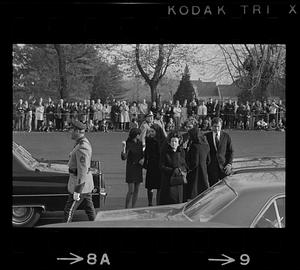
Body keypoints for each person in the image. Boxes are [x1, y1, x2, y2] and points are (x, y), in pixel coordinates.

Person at [63, 120, 96, 223]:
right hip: (84, 184)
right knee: (90, 210)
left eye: (71, 130)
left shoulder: (82, 147)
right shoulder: (80, 143)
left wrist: (77, 190)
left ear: (77, 131)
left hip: (80, 184)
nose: (70, 132)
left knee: (68, 211)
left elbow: (82, 170)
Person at [159, 131, 188, 205]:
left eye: (175, 141)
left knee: (178, 203)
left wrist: (181, 170)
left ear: (179, 143)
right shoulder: (165, 152)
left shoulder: (181, 152)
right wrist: (173, 171)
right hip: (168, 181)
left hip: (179, 182)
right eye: (172, 141)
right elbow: (161, 166)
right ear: (169, 142)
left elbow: (184, 164)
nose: (174, 143)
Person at [204, 117, 234, 186]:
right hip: (211, 168)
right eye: (215, 126)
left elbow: (230, 151)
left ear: (221, 126)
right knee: (213, 188)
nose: (217, 129)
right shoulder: (206, 137)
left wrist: (229, 164)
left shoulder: (226, 136)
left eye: (218, 126)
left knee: (226, 187)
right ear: (211, 126)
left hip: (224, 167)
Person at [121, 128, 144, 208]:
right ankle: (126, 207)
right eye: (139, 134)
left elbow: (142, 154)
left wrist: (143, 159)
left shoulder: (140, 143)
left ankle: (133, 207)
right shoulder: (128, 143)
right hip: (131, 168)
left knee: (136, 190)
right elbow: (124, 157)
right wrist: (123, 148)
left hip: (138, 168)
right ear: (135, 135)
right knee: (131, 190)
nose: (140, 136)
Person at [186, 127, 210, 200]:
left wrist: (189, 169)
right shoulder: (206, 145)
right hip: (204, 172)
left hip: (194, 173)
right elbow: (208, 160)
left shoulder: (194, 146)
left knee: (193, 194)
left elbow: (194, 162)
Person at [143, 127, 162, 206]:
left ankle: (158, 202)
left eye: (152, 131)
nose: (151, 133)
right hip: (150, 164)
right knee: (150, 186)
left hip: (158, 165)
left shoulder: (160, 141)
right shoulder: (148, 140)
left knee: (158, 186)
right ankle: (150, 203)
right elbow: (146, 151)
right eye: (150, 131)